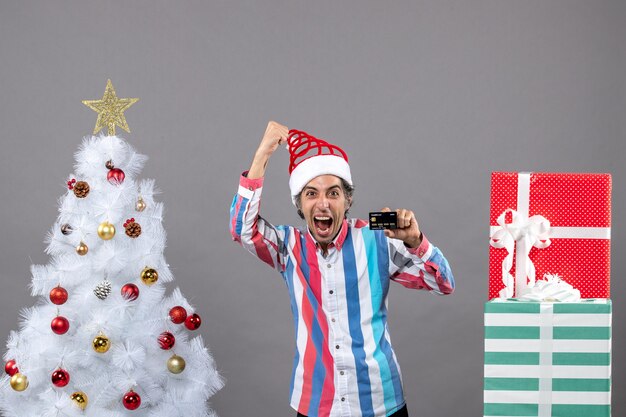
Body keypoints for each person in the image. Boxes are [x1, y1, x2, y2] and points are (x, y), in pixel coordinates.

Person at [229, 121, 454, 417]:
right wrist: (261, 157)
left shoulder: (376, 236)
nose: (323, 204)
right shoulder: (289, 246)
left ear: (347, 200)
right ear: (300, 204)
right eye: (311, 194)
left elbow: (443, 283)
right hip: (315, 404)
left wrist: (416, 242)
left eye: (333, 193)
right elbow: (241, 229)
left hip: (379, 402)